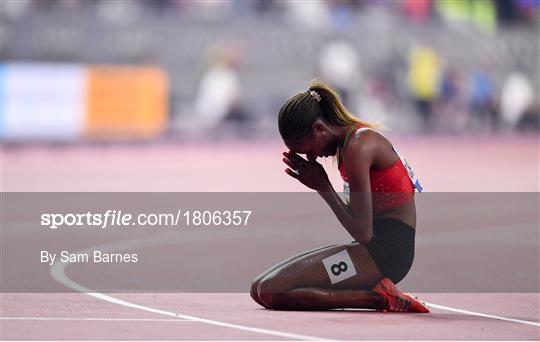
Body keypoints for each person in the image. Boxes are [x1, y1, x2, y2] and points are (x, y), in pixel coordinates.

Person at [249, 80, 429, 312]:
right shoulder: (348, 145)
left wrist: (324, 188)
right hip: (371, 249)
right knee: (259, 288)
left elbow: (363, 232)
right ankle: (376, 294)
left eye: (309, 150)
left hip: (386, 254)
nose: (313, 157)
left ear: (319, 129)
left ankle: (379, 298)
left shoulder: (358, 145)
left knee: (270, 291)